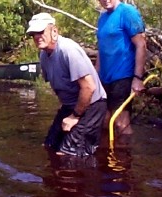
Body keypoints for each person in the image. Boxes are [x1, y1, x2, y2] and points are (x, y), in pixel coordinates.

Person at [26, 13, 107, 157]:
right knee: (49, 145)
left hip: (92, 105)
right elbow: (57, 85)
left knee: (66, 155)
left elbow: (89, 87)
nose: (37, 37)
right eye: (33, 34)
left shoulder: (68, 50)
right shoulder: (43, 55)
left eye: (41, 32)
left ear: (54, 32)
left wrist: (75, 116)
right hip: (71, 105)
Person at [91, 0, 147, 136]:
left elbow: (141, 44)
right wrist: (95, 75)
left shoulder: (127, 12)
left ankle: (125, 158)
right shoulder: (102, 18)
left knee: (121, 122)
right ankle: (105, 158)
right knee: (103, 120)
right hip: (104, 78)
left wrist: (137, 78)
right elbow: (102, 49)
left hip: (123, 76)